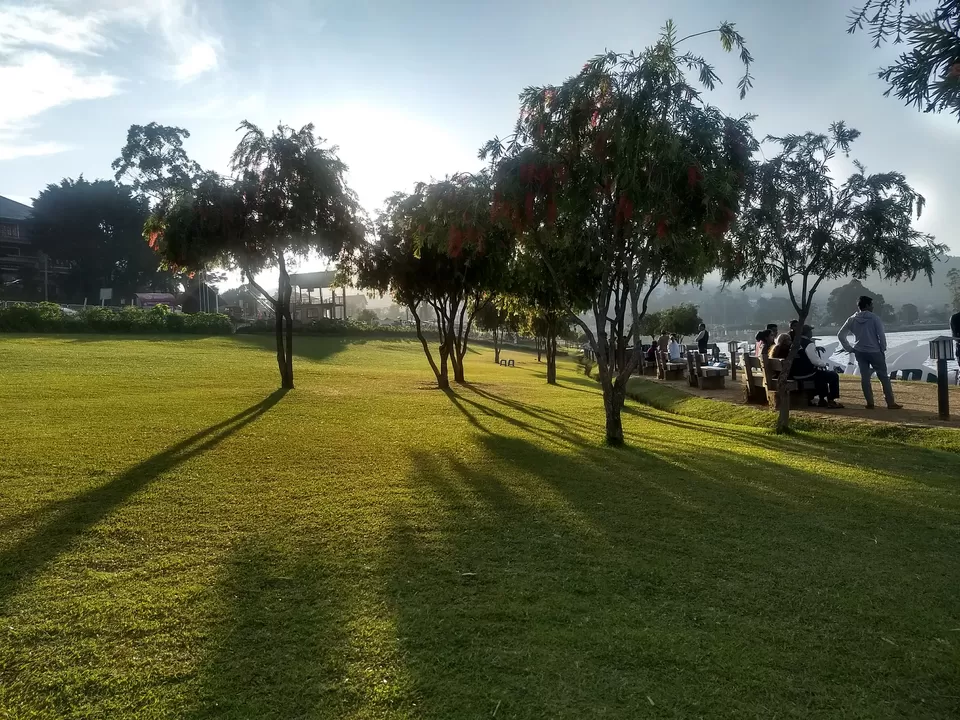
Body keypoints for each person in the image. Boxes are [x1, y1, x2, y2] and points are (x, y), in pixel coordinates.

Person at [838, 295, 901, 410]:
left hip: (860, 351)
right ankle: (890, 402)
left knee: (865, 378)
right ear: (867, 305)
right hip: (875, 351)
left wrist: (849, 348)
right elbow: (881, 335)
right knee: (883, 377)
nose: (873, 307)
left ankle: (870, 403)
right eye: (871, 305)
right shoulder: (874, 318)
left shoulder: (851, 319)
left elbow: (840, 335)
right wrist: (883, 348)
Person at [790, 325, 843, 408]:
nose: (811, 333)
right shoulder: (808, 344)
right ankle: (831, 399)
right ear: (807, 333)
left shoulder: (794, 343)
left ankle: (822, 400)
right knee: (832, 375)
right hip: (806, 374)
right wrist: (825, 364)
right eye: (810, 331)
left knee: (821, 374)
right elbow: (816, 361)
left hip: (795, 374)